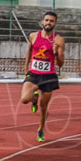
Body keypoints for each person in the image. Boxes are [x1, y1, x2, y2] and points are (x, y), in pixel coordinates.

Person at [19, 10, 65, 142]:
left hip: (49, 76)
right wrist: (26, 65)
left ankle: (40, 129)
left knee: (44, 107)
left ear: (55, 23)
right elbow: (29, 50)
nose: (48, 23)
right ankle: (34, 98)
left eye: (51, 21)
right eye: (46, 20)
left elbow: (61, 64)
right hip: (34, 73)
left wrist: (56, 53)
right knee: (24, 99)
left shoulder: (59, 40)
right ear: (42, 22)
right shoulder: (33, 36)